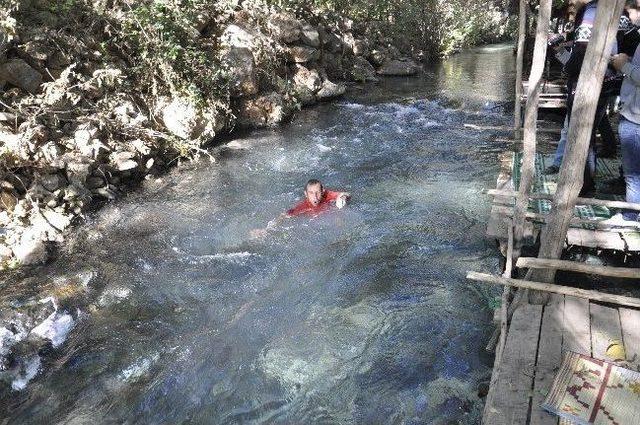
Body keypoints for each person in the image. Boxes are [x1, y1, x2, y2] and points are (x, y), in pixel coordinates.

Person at [250, 179, 350, 238]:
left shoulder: (327, 195)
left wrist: (343, 197)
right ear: (306, 194)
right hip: (315, 229)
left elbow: (345, 193)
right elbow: (284, 215)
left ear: (322, 191)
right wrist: (266, 229)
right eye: (311, 193)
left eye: (317, 192)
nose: (314, 197)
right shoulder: (303, 206)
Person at [610, 48, 640, 223]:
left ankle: (630, 218)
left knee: (634, 175)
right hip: (632, 113)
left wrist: (625, 66)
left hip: (635, 118)